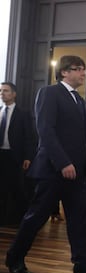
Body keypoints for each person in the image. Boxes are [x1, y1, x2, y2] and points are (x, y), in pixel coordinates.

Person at [5, 55, 86, 273]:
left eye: (84, 69)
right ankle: (14, 259)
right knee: (36, 217)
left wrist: (79, 166)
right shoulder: (49, 93)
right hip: (53, 170)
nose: (83, 73)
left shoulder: (79, 100)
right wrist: (63, 162)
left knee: (80, 219)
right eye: (78, 69)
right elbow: (46, 130)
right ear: (64, 72)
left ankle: (83, 264)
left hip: (77, 172)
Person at [0, 82, 36, 226]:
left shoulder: (23, 114)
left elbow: (29, 137)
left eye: (6, 91)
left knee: (16, 188)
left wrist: (28, 156)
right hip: (0, 155)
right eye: (1, 91)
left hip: (15, 156)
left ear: (14, 94)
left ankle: (18, 219)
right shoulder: (0, 111)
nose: (2, 93)